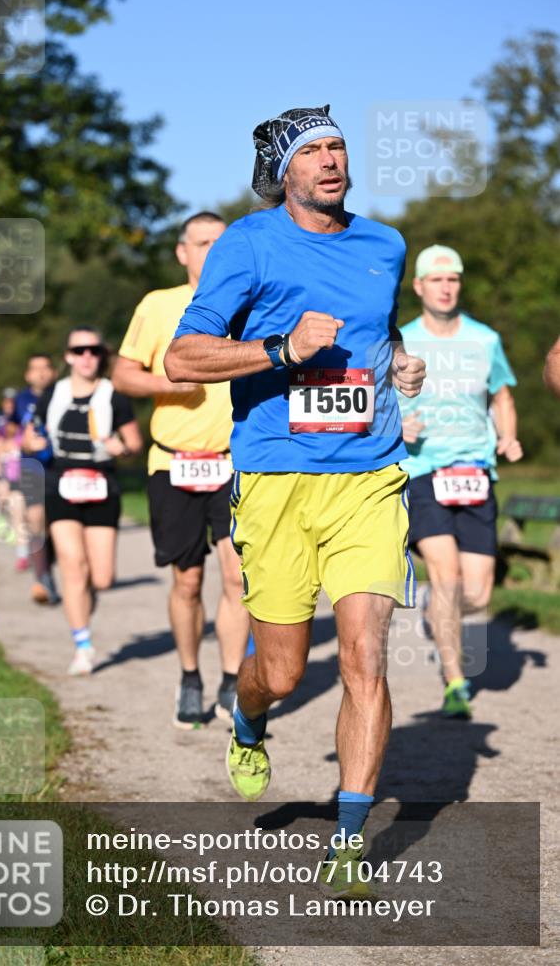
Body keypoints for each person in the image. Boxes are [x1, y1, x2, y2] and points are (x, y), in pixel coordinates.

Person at [164, 105, 425, 895]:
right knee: (279, 671)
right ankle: (248, 719)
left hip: (368, 478)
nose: (330, 160)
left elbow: (379, 336)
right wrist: (279, 349)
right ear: (284, 170)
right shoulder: (247, 244)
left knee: (363, 656)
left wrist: (401, 366)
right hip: (276, 479)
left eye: (338, 146)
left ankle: (348, 842)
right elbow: (182, 357)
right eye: (311, 151)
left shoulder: (384, 244)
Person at [113, 212, 250, 729]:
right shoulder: (159, 305)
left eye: (221, 243)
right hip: (173, 462)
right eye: (202, 242)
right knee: (187, 581)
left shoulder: (249, 302)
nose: (212, 251)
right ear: (182, 252)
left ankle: (233, 680)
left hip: (234, 462)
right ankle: (190, 675)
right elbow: (123, 374)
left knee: (238, 577)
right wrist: (172, 385)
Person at [397, 244, 522, 718]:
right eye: (437, 280)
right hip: (424, 471)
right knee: (447, 578)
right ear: (419, 286)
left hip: (475, 473)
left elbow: (503, 395)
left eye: (453, 280)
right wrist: (397, 426)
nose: (446, 288)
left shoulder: (485, 339)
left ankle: (435, 607)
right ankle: (454, 684)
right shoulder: (401, 342)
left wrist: (508, 437)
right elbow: (375, 401)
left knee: (478, 593)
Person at [24, 327, 143, 675]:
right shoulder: (52, 395)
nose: (87, 356)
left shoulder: (114, 397)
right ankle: (82, 645)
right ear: (68, 357)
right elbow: (31, 435)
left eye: (93, 350)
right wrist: (31, 443)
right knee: (73, 565)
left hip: (102, 485)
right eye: (79, 351)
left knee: (102, 578)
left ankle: (85, 602)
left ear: (101, 355)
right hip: (62, 485)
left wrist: (124, 448)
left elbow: (135, 443)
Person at [12, 354, 59, 605]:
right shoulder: (20, 399)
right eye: (35, 369)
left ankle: (47, 565)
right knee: (37, 519)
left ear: (53, 372)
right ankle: (42, 578)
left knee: (56, 525)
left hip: (60, 467)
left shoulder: (63, 393)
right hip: (31, 467)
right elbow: (11, 429)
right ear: (27, 375)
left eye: (46, 368)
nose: (41, 373)